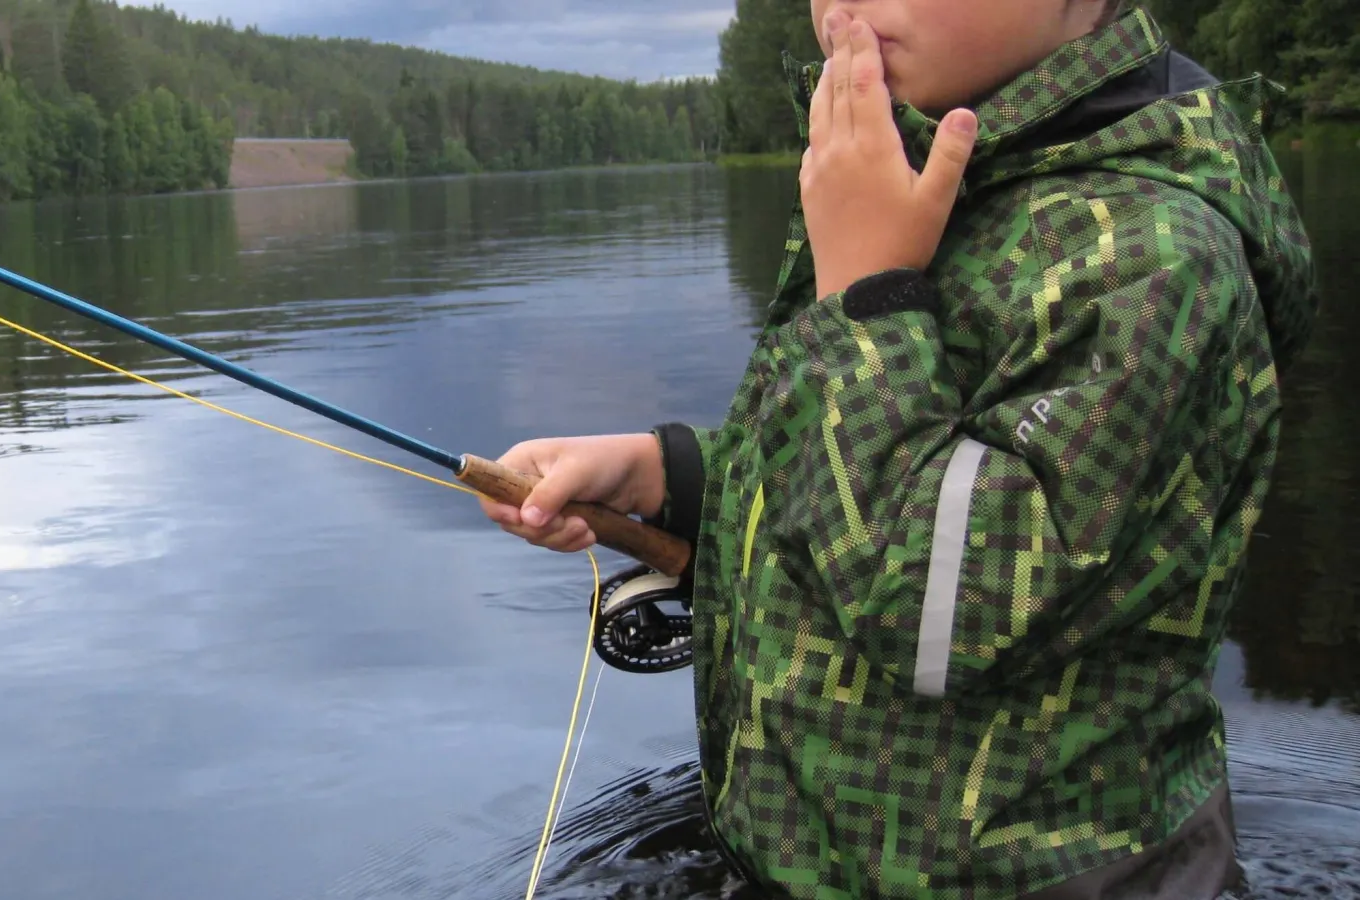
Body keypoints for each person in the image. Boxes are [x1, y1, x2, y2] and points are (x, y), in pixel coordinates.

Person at [479, 1, 1318, 897]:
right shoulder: (918, 174)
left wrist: (863, 298)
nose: (842, 5)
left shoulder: (1158, 264)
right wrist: (671, 479)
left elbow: (942, 611)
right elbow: (875, 465)